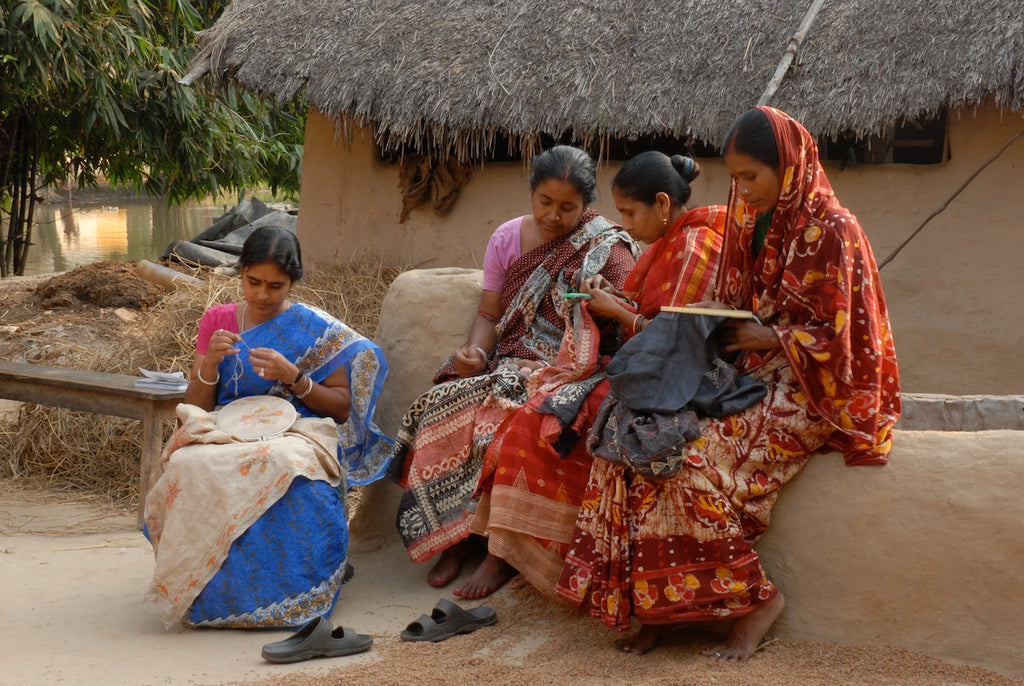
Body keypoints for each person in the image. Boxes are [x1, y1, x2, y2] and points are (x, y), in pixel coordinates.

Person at [554, 107, 901, 659]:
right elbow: (739, 305)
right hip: (743, 376)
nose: (740, 189)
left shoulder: (836, 231)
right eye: (735, 177)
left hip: (809, 389)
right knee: (628, 443)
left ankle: (757, 603)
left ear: (788, 167)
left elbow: (853, 343)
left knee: (682, 460)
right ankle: (660, 608)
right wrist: (714, 317)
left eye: (750, 176)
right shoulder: (748, 225)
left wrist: (773, 340)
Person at [390, 145, 638, 598]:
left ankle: (499, 552)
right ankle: (456, 537)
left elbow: (621, 329)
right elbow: (489, 315)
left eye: (567, 207)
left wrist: (568, 354)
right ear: (531, 193)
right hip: (506, 358)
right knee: (443, 404)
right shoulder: (506, 238)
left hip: (569, 372)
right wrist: (475, 355)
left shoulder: (608, 249)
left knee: (506, 423)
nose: (553, 215)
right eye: (545, 202)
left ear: (587, 206)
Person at [475, 152, 725, 598]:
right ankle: (499, 551)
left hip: (678, 379)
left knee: (546, 419)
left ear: (663, 204)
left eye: (629, 212)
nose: (624, 223)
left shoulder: (693, 247)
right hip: (644, 368)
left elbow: (683, 341)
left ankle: (522, 556)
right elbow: (654, 317)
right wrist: (617, 305)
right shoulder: (667, 246)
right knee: (538, 411)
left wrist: (619, 315)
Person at [144, 225, 393, 628]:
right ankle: (212, 595)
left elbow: (343, 409)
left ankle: (292, 593)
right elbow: (194, 408)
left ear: (292, 282)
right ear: (239, 273)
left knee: (287, 462)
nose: (262, 295)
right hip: (227, 429)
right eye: (253, 282)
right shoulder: (218, 320)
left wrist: (296, 377)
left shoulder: (315, 328)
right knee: (188, 463)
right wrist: (209, 365)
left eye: (275, 286)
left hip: (297, 430)